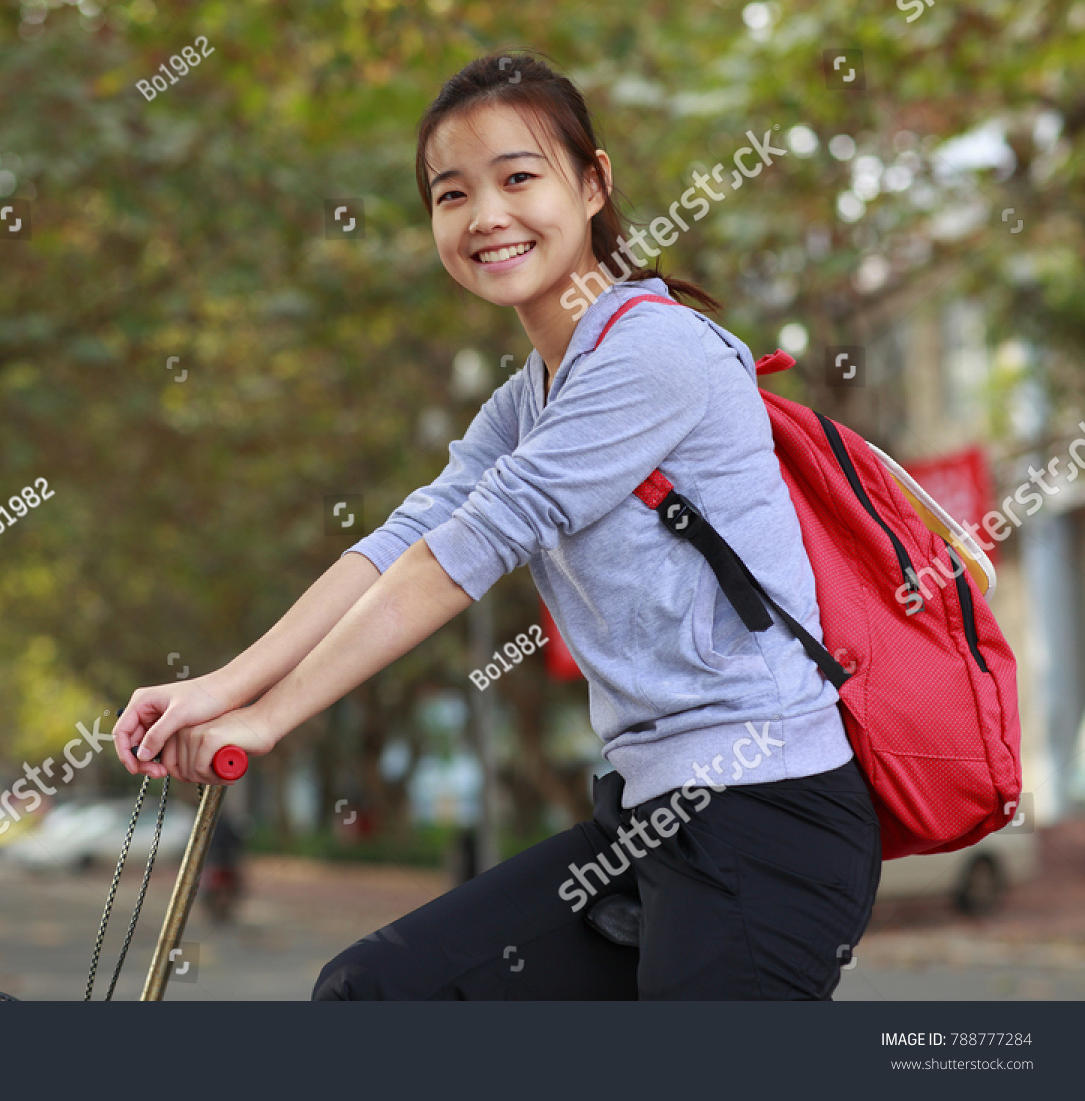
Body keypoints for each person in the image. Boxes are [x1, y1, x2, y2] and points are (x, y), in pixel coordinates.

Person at [111, 51, 881, 1001]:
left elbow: (466, 551)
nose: (485, 216)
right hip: (648, 817)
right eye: (452, 194)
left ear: (593, 184)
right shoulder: (533, 394)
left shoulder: (656, 351)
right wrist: (222, 689)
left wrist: (270, 719)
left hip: (767, 818)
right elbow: (407, 537)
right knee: (377, 995)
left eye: (518, 177)